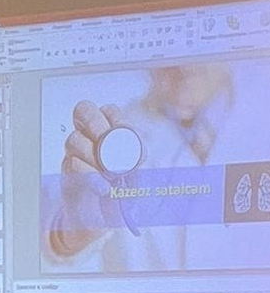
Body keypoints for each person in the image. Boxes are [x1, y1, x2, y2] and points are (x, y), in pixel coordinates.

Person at [46, 62, 236, 271]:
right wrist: (77, 229)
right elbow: (37, 244)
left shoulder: (262, 117)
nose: (184, 65)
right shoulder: (109, 138)